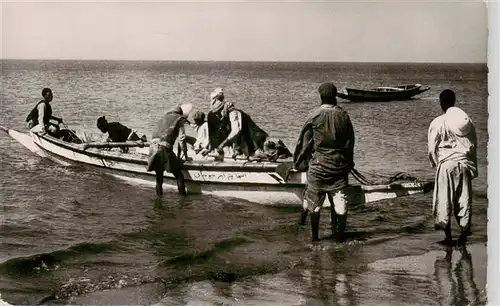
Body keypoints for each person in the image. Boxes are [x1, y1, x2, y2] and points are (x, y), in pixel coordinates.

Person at [293, 82, 355, 243]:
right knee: (340, 205)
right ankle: (340, 239)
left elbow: (305, 144)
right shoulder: (343, 115)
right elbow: (350, 143)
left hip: (318, 168)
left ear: (321, 96)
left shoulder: (314, 115)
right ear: (334, 96)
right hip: (338, 168)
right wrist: (349, 163)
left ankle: (315, 239)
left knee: (315, 206)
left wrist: (300, 163)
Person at [427, 89, 478, 246]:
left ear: (441, 103)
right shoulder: (467, 123)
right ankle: (463, 234)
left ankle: (448, 237)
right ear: (454, 102)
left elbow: (431, 148)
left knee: (445, 200)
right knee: (463, 199)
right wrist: (472, 166)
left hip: (447, 165)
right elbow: (473, 146)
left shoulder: (438, 122)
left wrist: (436, 164)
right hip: (464, 164)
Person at [205, 88, 268, 160]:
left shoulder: (233, 113)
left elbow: (236, 131)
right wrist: (210, 147)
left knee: (257, 154)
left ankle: (267, 155)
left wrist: (222, 144)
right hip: (245, 140)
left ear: (222, 109)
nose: (217, 116)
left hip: (255, 137)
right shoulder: (225, 115)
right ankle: (243, 152)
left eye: (218, 113)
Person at [147, 103, 193, 196]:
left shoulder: (162, 119)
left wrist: (178, 155)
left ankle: (159, 200)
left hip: (153, 149)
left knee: (159, 177)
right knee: (179, 175)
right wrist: (186, 155)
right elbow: (182, 139)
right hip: (164, 148)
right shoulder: (179, 119)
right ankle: (183, 199)